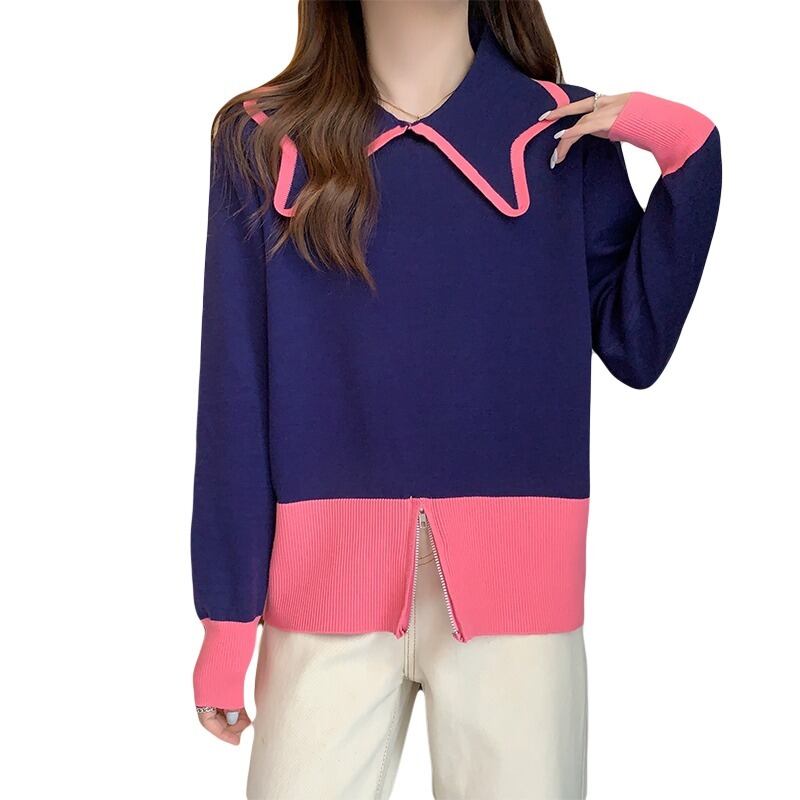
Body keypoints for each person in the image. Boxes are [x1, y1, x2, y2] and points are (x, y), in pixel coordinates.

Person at [189, 1, 721, 797]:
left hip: (520, 612)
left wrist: (686, 148)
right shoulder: (262, 138)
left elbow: (635, 345)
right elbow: (234, 388)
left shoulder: (560, 133)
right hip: (318, 599)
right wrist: (226, 620)